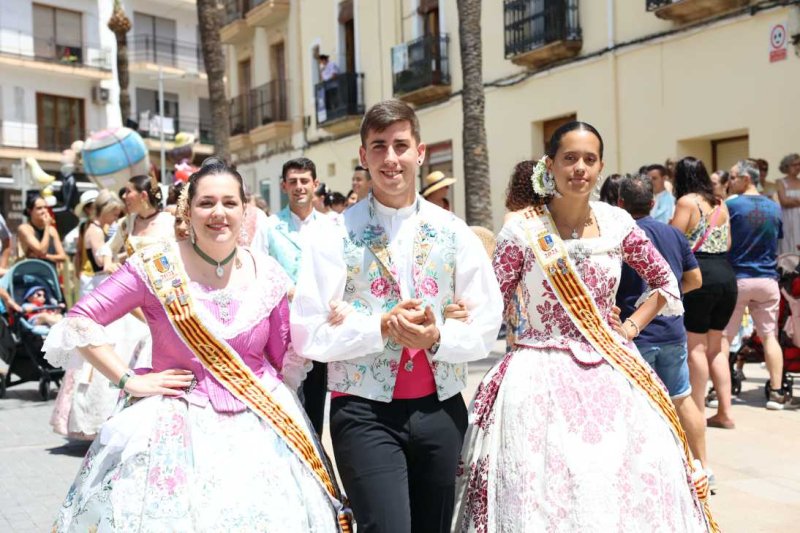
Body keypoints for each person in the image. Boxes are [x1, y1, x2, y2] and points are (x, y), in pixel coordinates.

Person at [42, 158, 347, 532]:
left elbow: (285, 354)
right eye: (206, 203)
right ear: (188, 209)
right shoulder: (154, 266)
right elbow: (80, 319)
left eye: (229, 203)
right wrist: (129, 380)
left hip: (262, 424)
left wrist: (334, 315)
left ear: (243, 210)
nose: (219, 213)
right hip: (174, 424)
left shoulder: (267, 272)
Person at [452, 122, 715, 532]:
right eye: (569, 158)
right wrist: (457, 315)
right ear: (550, 166)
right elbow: (490, 301)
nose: (580, 168)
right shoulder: (522, 230)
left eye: (589, 160)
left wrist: (630, 327)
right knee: (540, 484)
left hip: (610, 366)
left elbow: (665, 280)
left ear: (601, 166)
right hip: (536, 374)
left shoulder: (617, 223)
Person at [291, 99, 503, 533]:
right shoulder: (332, 234)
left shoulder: (453, 230)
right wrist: (380, 327)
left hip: (440, 411)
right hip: (363, 412)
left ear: (419, 153)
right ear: (363, 155)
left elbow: (485, 323)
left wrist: (438, 336)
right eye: (379, 146)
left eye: (401, 146)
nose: (391, 158)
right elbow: (307, 333)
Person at [616, 174, 711, 482]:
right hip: (672, 331)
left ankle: (645, 474)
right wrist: (667, 296)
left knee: (637, 406)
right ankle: (703, 467)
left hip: (635, 333)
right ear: (653, 202)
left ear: (620, 204)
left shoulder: (619, 235)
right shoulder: (674, 235)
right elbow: (695, 280)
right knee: (682, 397)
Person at [50, 191, 132, 440]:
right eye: (114, 212)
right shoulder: (95, 230)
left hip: (99, 283)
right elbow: (101, 260)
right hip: (98, 284)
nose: (116, 216)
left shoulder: (96, 227)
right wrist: (125, 257)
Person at [257, 157, 328, 435]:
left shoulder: (331, 226)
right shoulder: (270, 226)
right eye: (293, 182)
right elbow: (259, 269)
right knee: (285, 399)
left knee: (316, 399)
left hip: (320, 325)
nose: (299, 187)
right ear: (284, 186)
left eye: (305, 181)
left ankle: (317, 459)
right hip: (282, 329)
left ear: (315, 185)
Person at [670, 157, 737, 429]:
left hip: (700, 276)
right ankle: (725, 411)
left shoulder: (687, 202)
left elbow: (673, 239)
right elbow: (728, 242)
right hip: (726, 274)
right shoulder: (721, 204)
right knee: (716, 347)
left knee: (695, 346)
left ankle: (696, 410)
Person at [723, 160, 786, 411]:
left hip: (738, 278)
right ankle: (777, 392)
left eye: (733, 177)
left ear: (746, 179)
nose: (730, 181)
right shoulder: (774, 207)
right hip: (767, 279)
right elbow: (777, 241)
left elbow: (723, 242)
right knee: (770, 337)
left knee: (724, 338)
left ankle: (720, 390)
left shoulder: (731, 205)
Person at [17, 195, 67, 267]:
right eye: (39, 208)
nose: (44, 211)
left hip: (50, 273)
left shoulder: (52, 230)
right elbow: (41, 251)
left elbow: (62, 257)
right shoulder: (25, 229)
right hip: (31, 274)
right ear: (29, 211)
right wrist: (47, 226)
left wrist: (46, 256)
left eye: (45, 207)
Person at [777, 153, 800, 254]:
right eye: (794, 165)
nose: (798, 167)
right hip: (787, 218)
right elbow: (784, 201)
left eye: (799, 164)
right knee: (788, 243)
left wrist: (792, 199)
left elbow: (788, 200)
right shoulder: (780, 182)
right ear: (787, 166)